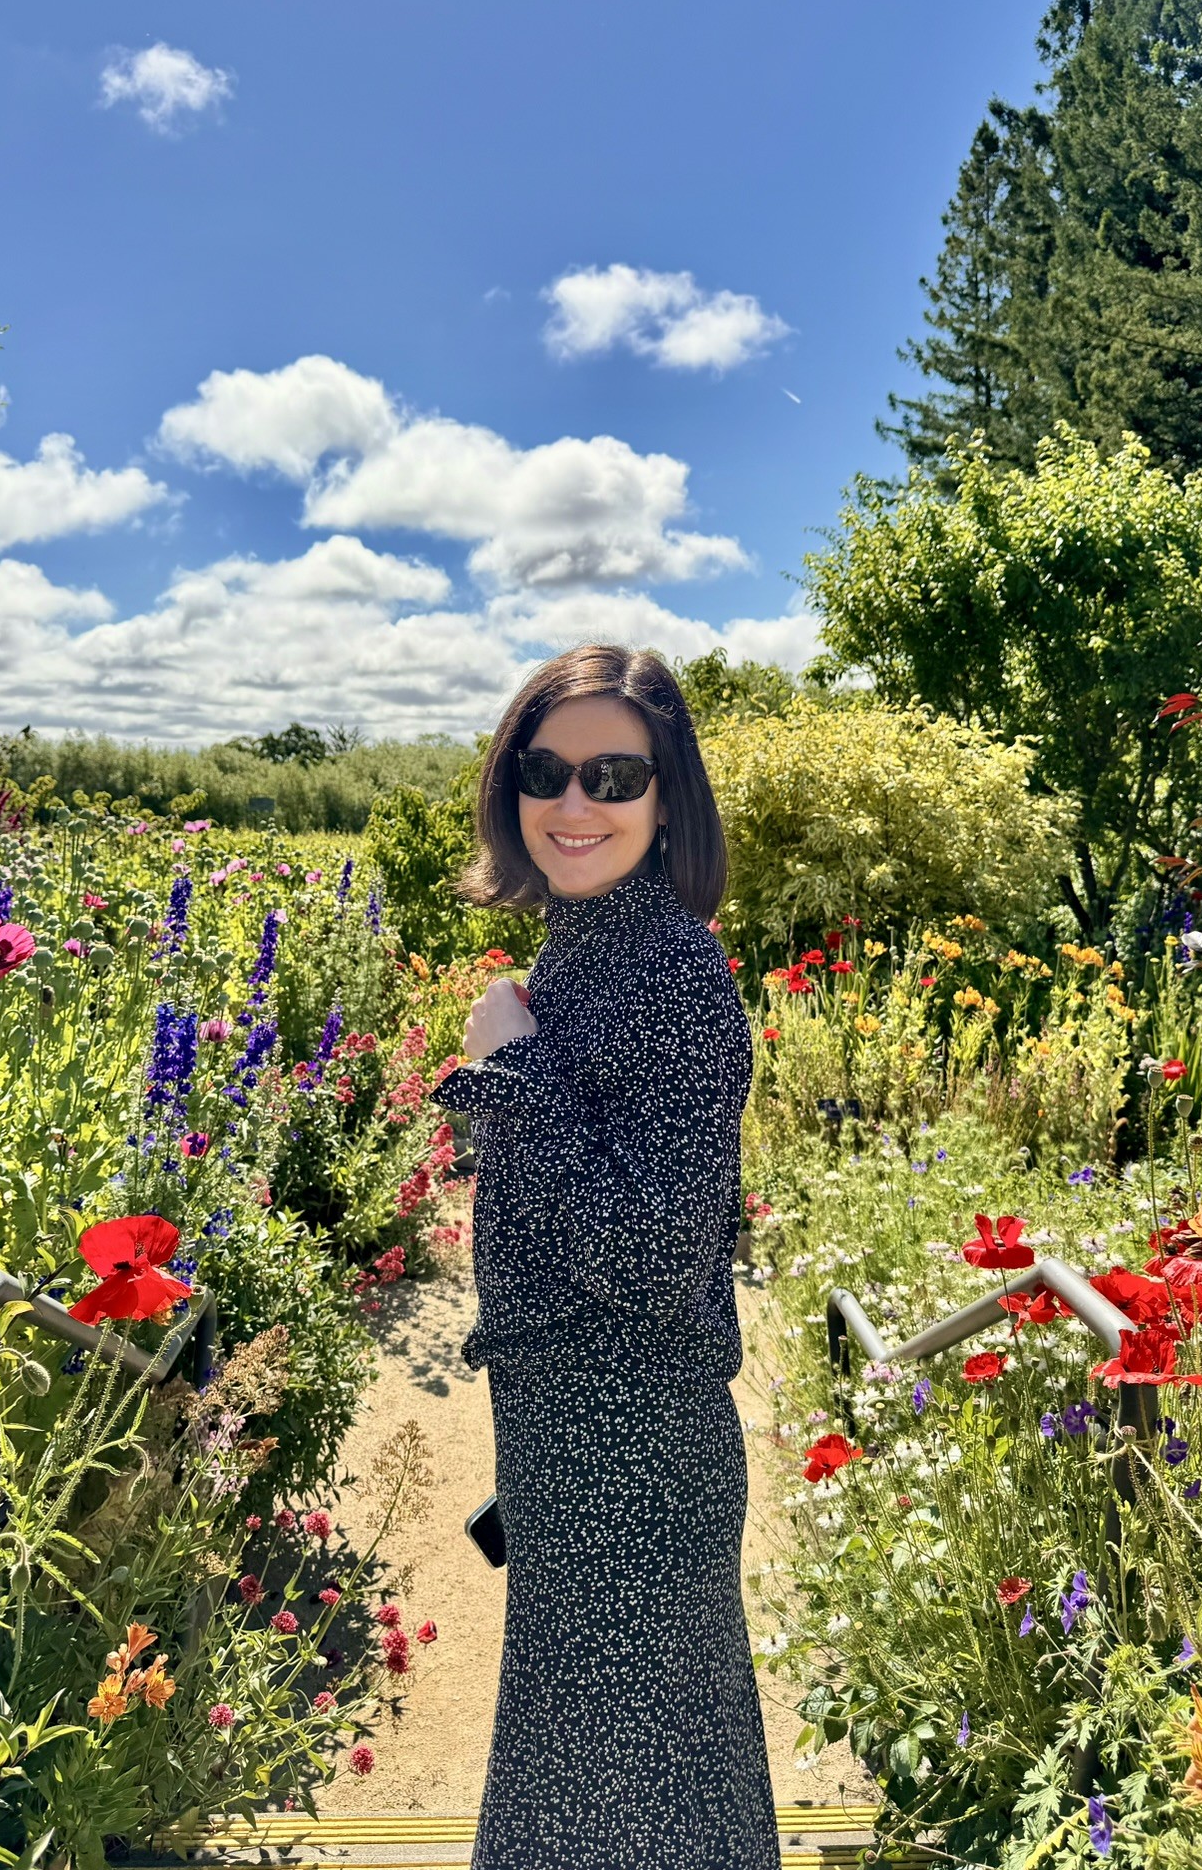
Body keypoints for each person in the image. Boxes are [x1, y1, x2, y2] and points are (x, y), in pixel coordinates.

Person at [432, 643, 780, 1870]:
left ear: (669, 795)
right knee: (606, 1775)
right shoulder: (594, 941)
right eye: (545, 770)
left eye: (613, 774)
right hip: (578, 1438)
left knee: (634, 1792)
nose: (573, 803)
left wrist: (510, 1072)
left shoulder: (675, 973)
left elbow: (651, 1257)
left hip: (631, 1453)